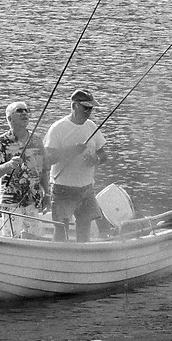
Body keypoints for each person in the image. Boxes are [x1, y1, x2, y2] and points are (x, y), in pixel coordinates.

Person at [43, 88, 113, 241]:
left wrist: (96, 159)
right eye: (85, 107)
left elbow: (104, 155)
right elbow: (47, 159)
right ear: (74, 106)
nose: (88, 111)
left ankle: (81, 258)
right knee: (61, 229)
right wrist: (70, 151)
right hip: (63, 188)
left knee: (85, 228)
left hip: (86, 189)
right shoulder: (58, 128)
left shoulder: (91, 126)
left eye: (91, 108)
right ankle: (60, 258)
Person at [0, 101, 43, 210]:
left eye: (27, 110)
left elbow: (44, 169)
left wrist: (47, 194)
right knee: (11, 228)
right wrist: (9, 165)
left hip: (33, 200)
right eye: (19, 111)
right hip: (11, 202)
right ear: (10, 118)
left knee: (34, 227)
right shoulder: (0, 142)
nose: (24, 113)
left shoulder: (36, 140)